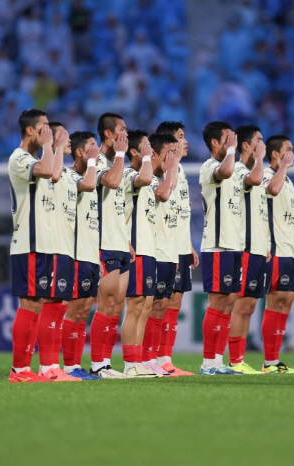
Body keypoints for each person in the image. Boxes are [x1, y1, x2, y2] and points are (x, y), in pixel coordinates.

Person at [6, 109, 65, 382]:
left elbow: (53, 173)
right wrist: (49, 146)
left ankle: (29, 369)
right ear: (30, 130)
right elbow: (47, 170)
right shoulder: (19, 158)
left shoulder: (38, 156)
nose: (48, 131)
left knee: (37, 304)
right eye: (43, 127)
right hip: (28, 242)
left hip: (43, 243)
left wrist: (54, 147)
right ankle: (19, 370)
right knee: (29, 304)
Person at [31, 122, 82, 382]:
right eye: (62, 134)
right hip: (49, 244)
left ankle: (53, 366)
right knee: (50, 304)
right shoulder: (48, 166)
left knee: (59, 306)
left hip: (66, 245)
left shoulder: (68, 173)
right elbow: (52, 174)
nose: (68, 138)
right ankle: (47, 366)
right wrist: (56, 146)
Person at [87, 113, 131, 379]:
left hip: (119, 241)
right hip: (102, 242)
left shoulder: (118, 163)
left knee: (117, 304)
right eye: (122, 130)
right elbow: (111, 183)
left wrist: (126, 239)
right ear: (108, 134)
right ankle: (97, 364)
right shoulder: (98, 161)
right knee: (106, 303)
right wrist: (122, 154)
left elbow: (119, 207)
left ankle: (105, 362)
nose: (125, 135)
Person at [198, 121, 244, 376]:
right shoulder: (210, 167)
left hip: (232, 244)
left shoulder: (232, 168)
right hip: (216, 245)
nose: (233, 141)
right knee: (217, 303)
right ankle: (207, 363)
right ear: (215, 142)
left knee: (229, 303)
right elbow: (225, 171)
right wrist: (232, 151)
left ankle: (217, 360)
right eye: (228, 138)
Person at [119, 130, 165, 378]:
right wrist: (148, 158)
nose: (151, 151)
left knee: (146, 305)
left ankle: (138, 362)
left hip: (149, 249)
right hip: (135, 248)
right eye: (146, 147)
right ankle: (130, 364)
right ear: (134, 152)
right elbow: (146, 178)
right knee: (135, 305)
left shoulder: (146, 178)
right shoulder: (130, 175)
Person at [141, 133, 188, 375]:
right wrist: (171, 171)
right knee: (149, 306)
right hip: (154, 251)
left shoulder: (174, 176)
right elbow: (162, 195)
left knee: (161, 307)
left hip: (170, 251)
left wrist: (182, 246)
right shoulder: (148, 178)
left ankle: (155, 360)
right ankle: (141, 360)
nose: (174, 156)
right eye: (170, 151)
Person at [154, 121, 198, 376]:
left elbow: (179, 212)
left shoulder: (180, 170)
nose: (186, 141)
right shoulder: (161, 170)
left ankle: (165, 359)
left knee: (175, 303)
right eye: (181, 137)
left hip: (180, 245)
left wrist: (188, 243)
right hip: (163, 246)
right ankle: (150, 358)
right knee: (159, 303)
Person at [227, 125, 267, 375]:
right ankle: (234, 360)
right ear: (246, 145)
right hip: (245, 246)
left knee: (250, 305)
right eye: (258, 141)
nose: (261, 145)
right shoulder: (239, 170)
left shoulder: (255, 170)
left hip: (258, 247)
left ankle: (239, 358)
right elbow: (253, 181)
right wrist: (262, 158)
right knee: (241, 305)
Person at [261, 135, 294, 374]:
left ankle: (275, 361)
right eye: (288, 150)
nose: (292, 154)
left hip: (292, 249)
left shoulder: (288, 180)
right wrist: (283, 166)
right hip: (275, 249)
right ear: (275, 154)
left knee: (287, 302)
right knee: (275, 301)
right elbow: (272, 190)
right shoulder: (268, 175)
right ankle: (269, 361)